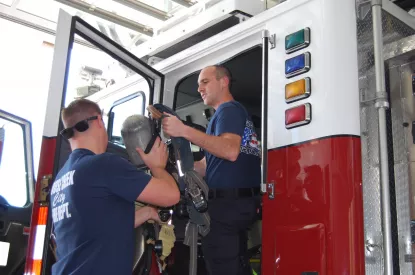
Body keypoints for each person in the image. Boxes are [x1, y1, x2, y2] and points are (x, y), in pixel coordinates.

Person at [50, 99, 179, 275]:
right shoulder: (103, 164)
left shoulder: (61, 179)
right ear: (98, 121)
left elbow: (99, 227)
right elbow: (171, 195)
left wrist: (148, 212)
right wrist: (158, 167)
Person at [162, 65, 261, 275]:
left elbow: (230, 150)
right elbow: (206, 167)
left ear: (224, 81)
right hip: (237, 206)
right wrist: (171, 171)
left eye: (205, 82)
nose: (200, 89)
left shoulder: (229, 110)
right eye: (199, 85)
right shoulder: (221, 119)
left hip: (227, 207)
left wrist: (184, 130)